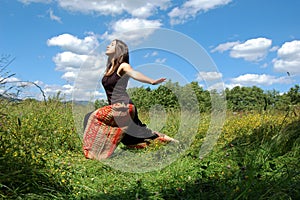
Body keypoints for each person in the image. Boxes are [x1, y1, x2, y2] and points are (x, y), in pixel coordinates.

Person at [83, 39, 177, 160]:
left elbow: (134, 73)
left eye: (112, 45)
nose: (107, 46)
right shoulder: (109, 68)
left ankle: (94, 153)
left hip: (125, 106)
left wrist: (151, 81)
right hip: (115, 107)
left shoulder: (123, 66)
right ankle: (169, 141)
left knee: (91, 116)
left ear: (119, 50)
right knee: (133, 139)